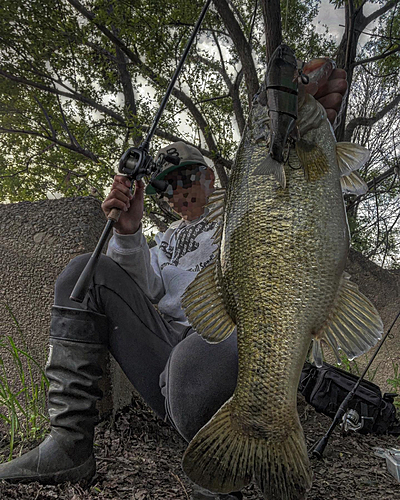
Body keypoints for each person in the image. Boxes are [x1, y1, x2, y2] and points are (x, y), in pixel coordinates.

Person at [0, 67, 347, 500]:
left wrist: (305, 126)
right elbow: (146, 289)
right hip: (167, 357)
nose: (179, 192)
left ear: (211, 179)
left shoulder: (237, 210)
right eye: (167, 188)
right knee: (82, 273)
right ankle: (69, 443)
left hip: (229, 348)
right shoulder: (163, 242)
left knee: (191, 365)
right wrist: (128, 232)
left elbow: (297, 204)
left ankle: (232, 443)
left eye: (187, 179)